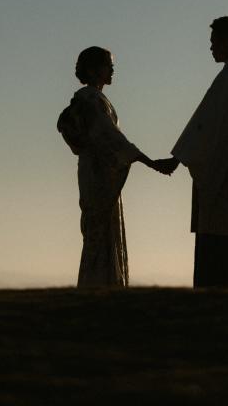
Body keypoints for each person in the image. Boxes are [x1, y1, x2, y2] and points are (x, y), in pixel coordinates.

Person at [163, 16, 228, 289]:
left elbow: (207, 128)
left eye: (214, 42)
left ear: (227, 41)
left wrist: (180, 159)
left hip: (227, 184)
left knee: (220, 269)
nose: (211, 47)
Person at [68, 46, 171, 287]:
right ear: (94, 70)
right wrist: (150, 162)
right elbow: (113, 140)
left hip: (96, 172)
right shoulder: (92, 100)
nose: (112, 69)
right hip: (97, 174)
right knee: (100, 232)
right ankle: (99, 285)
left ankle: (99, 283)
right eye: (107, 64)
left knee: (100, 231)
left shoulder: (90, 99)